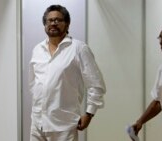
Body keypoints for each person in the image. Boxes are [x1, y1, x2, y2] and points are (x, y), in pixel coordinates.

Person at [28, 5, 106, 141]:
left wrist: (89, 114)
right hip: (37, 125)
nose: (53, 23)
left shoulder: (78, 48)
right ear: (45, 24)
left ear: (67, 23)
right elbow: (33, 83)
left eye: (58, 20)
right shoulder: (37, 50)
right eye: (49, 20)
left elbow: (96, 84)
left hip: (63, 126)